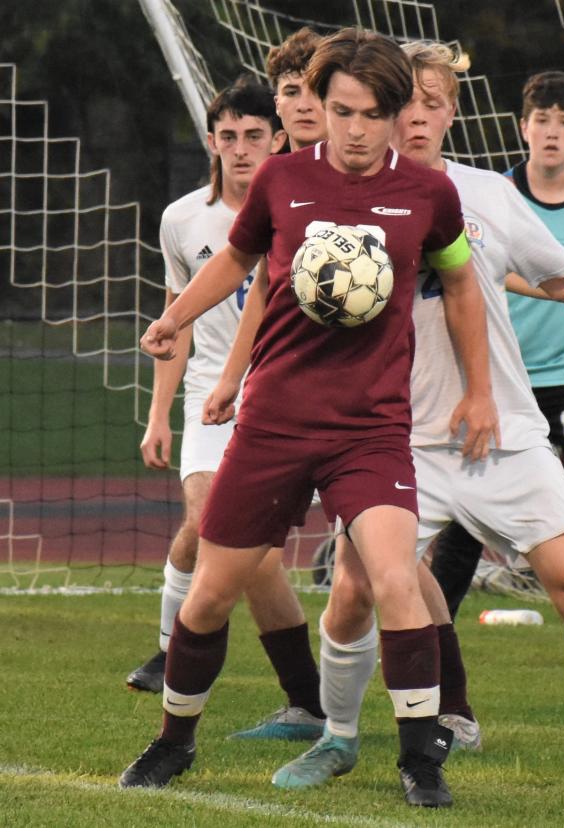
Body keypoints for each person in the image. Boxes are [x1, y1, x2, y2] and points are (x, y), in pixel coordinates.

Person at [267, 40, 564, 804]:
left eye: (438, 103)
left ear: (453, 112)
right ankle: (336, 740)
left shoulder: (490, 197)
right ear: (383, 109)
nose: (422, 116)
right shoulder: (338, 200)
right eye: (411, 103)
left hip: (502, 433)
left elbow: (561, 279)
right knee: (353, 589)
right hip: (394, 437)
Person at [119, 30, 498, 809]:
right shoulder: (283, 179)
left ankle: (420, 758)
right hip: (275, 423)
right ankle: (173, 741)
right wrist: (177, 318)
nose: (355, 130)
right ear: (320, 107)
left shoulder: (429, 194)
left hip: (371, 428)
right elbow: (233, 263)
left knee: (395, 579)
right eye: (341, 111)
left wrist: (479, 390)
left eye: (371, 114)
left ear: (397, 115)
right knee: (209, 597)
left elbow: (461, 286)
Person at [126, 75, 326, 742]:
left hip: (287, 397)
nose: (241, 150)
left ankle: (320, 702)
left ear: (278, 139)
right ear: (211, 142)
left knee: (253, 554)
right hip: (212, 401)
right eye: (229, 137)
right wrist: (158, 415)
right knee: (212, 529)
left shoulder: (305, 213)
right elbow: (175, 323)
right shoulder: (182, 220)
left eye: (254, 137)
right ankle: (290, 695)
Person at [429, 70, 564, 618]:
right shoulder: (495, 196)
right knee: (465, 515)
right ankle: (434, 627)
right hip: (505, 379)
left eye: (563, 122)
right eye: (541, 120)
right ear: (523, 127)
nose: (551, 133)